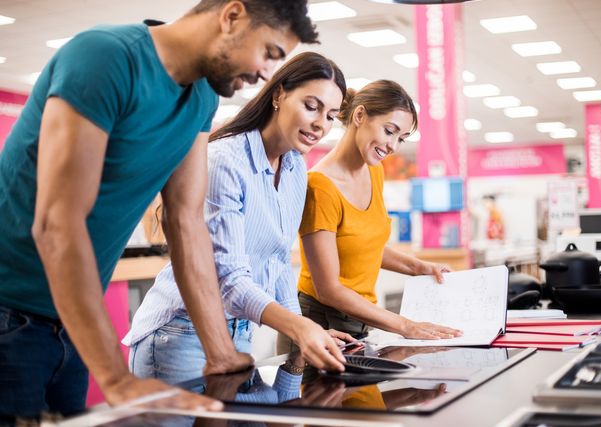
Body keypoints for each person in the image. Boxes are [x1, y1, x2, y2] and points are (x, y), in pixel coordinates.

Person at [0, 0, 317, 421]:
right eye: (270, 53)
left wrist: (221, 352)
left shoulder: (202, 97)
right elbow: (57, 224)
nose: (265, 72)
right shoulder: (105, 57)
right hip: (8, 311)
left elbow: (185, 222)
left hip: (70, 318)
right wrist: (117, 379)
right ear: (232, 16)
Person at [125, 52, 353, 387]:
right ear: (278, 95)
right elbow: (230, 282)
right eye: (312, 106)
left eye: (331, 115)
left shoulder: (294, 168)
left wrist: (306, 332)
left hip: (240, 331)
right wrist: (299, 328)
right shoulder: (225, 160)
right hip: (180, 335)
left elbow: (277, 263)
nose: (321, 123)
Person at [288, 80, 462, 344]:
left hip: (359, 319)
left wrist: (420, 267)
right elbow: (328, 290)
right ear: (360, 115)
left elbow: (364, 245)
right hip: (321, 324)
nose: (393, 146)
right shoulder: (320, 187)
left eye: (401, 138)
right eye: (389, 131)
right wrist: (405, 326)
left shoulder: (374, 171)